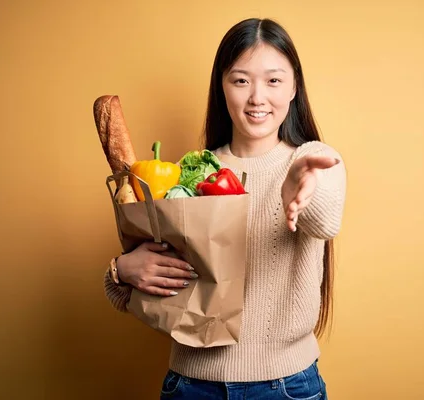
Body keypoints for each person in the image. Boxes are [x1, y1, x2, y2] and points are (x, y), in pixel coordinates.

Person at [103, 17, 346, 400]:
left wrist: (296, 190)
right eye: (241, 80)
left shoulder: (314, 159)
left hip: (286, 388)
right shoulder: (187, 173)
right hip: (190, 386)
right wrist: (121, 271)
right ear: (222, 86)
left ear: (295, 86)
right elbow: (147, 289)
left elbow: (326, 220)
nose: (257, 97)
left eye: (274, 80)